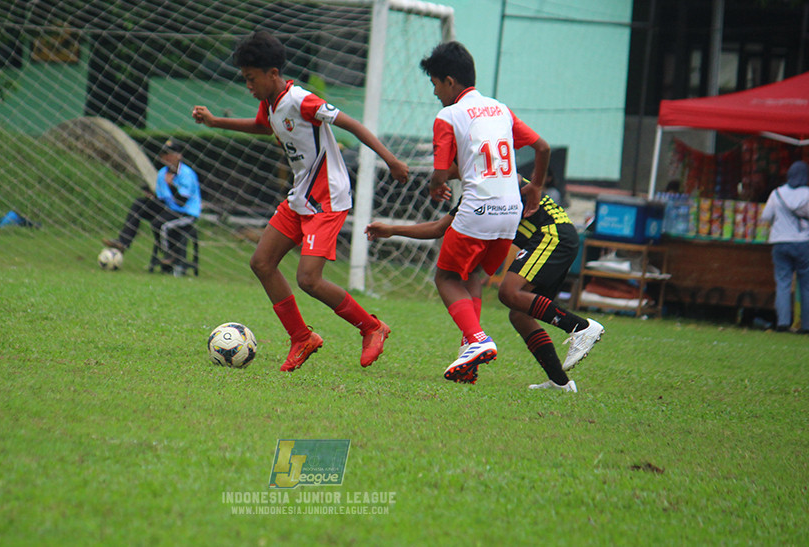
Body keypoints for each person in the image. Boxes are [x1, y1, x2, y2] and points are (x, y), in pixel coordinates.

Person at [191, 31, 409, 371]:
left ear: (273, 74)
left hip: (328, 198)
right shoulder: (271, 103)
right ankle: (301, 337)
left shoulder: (302, 100)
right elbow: (265, 126)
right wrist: (217, 121)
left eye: (251, 78)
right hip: (301, 196)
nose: (248, 85)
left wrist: (392, 160)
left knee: (309, 279)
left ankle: (372, 327)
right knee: (262, 262)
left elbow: (351, 125)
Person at [365, 185, 605, 392]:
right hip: (554, 237)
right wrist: (392, 229)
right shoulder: (478, 184)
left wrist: (533, 188)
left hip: (551, 236)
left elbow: (535, 158)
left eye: (447, 157)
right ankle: (560, 383)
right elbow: (440, 227)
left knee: (508, 292)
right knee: (519, 314)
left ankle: (580, 327)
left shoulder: (493, 176)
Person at [419, 41, 552, 384]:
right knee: (471, 277)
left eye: (435, 84)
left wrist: (436, 186)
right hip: (510, 213)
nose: (435, 93)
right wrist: (535, 186)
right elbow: (542, 147)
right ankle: (470, 363)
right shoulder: (500, 109)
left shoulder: (448, 115)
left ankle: (477, 340)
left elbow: (439, 171)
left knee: (445, 277)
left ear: (449, 82)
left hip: (478, 209)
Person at [103, 139, 201, 276]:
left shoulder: (186, 174)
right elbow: (162, 198)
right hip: (169, 208)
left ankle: (169, 257)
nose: (166, 158)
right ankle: (123, 242)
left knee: (160, 224)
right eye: (163, 154)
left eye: (170, 154)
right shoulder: (162, 173)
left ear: (179, 155)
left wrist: (171, 185)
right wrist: (151, 198)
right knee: (140, 204)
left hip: (185, 212)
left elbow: (181, 201)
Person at [759, 160, 809, 333]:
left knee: (783, 283)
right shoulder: (808, 194)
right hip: (804, 243)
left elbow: (765, 217)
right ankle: (806, 325)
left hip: (780, 242)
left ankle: (782, 322)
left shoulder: (777, 193)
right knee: (806, 286)